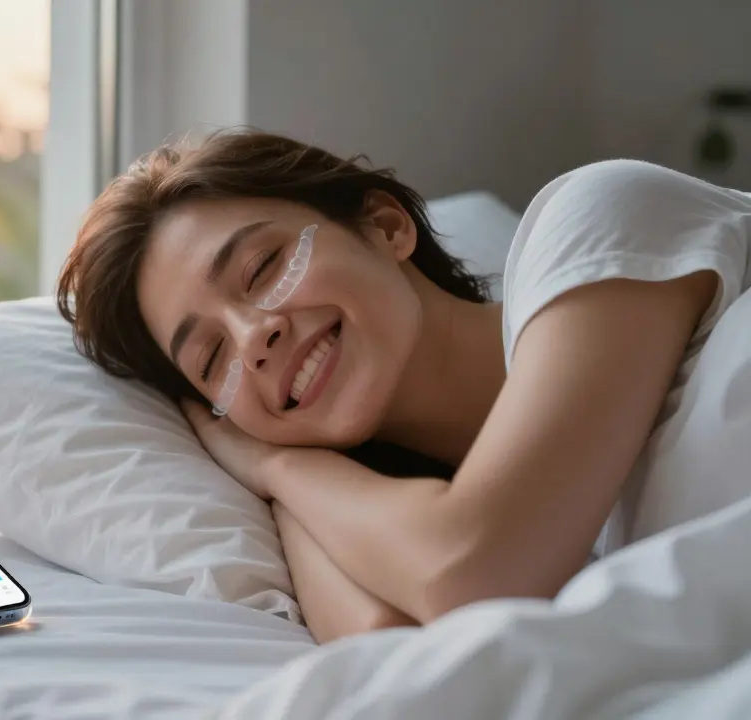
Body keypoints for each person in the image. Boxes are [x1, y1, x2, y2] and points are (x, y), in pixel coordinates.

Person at [55, 128, 751, 644]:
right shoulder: (406, 523)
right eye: (211, 359)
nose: (253, 337)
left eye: (263, 267)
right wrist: (286, 474)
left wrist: (274, 464)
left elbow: (477, 570)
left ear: (386, 226)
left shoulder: (596, 216)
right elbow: (390, 648)